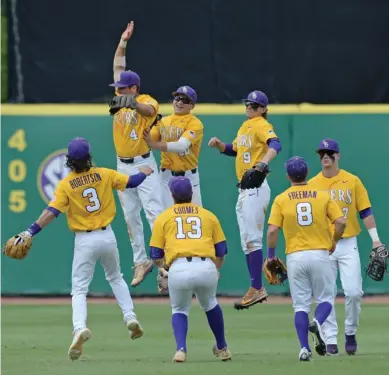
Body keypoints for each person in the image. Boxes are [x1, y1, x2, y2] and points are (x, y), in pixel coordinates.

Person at [3, 137, 153, 360]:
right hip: (107, 236)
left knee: (80, 288)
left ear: (70, 161)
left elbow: (52, 212)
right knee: (116, 278)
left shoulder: (66, 185)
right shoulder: (104, 173)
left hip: (85, 240)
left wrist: (29, 231)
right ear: (89, 157)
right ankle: (130, 316)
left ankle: (79, 327)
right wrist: (145, 172)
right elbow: (131, 182)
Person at [266, 156, 346, 361]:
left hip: (295, 256)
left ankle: (304, 349)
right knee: (326, 299)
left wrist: (270, 256)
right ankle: (318, 322)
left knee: (300, 305)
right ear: (307, 174)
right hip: (320, 253)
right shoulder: (322, 195)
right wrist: (334, 240)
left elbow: (272, 231)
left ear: (288, 176)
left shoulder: (281, 198)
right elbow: (341, 221)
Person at [208, 90, 282, 310]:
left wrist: (264, 162)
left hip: (256, 187)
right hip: (245, 189)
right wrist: (222, 146)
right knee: (248, 242)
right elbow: (236, 150)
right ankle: (256, 287)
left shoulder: (260, 124)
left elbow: (275, 144)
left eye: (254, 105)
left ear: (263, 109)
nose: (249, 107)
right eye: (248, 104)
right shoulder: (244, 126)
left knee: (252, 241)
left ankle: (257, 287)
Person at [308, 138, 383, 355]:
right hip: (324, 244)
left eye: (329, 153)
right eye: (322, 153)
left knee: (353, 292)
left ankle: (350, 331)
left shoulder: (352, 181)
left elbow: (365, 211)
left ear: (338, 156)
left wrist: (376, 240)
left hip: (348, 242)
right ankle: (331, 339)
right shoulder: (312, 184)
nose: (325, 157)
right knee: (326, 294)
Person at [149, 176, 231, 363]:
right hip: (206, 267)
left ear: (172, 195)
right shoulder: (208, 215)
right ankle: (222, 347)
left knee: (179, 308)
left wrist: (163, 270)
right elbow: (221, 250)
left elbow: (155, 254)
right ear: (192, 194)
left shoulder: (164, 217)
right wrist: (216, 268)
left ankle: (181, 350)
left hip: (178, 268)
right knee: (210, 303)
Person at [110, 21, 164, 287]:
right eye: (118, 88)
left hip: (145, 164)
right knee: (131, 216)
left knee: (155, 213)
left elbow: (149, 112)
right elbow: (118, 66)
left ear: (134, 89)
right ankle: (141, 261)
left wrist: (130, 101)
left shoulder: (146, 100)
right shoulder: (121, 95)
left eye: (122, 88)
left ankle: (164, 263)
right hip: (123, 166)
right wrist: (123, 41)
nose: (117, 91)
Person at [143, 85, 204, 208]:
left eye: (185, 100)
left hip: (188, 177)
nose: (179, 102)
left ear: (192, 105)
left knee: (194, 215)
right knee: (167, 216)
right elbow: (146, 139)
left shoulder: (195, 123)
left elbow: (181, 146)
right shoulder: (163, 121)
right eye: (177, 98)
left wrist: (154, 144)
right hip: (166, 177)